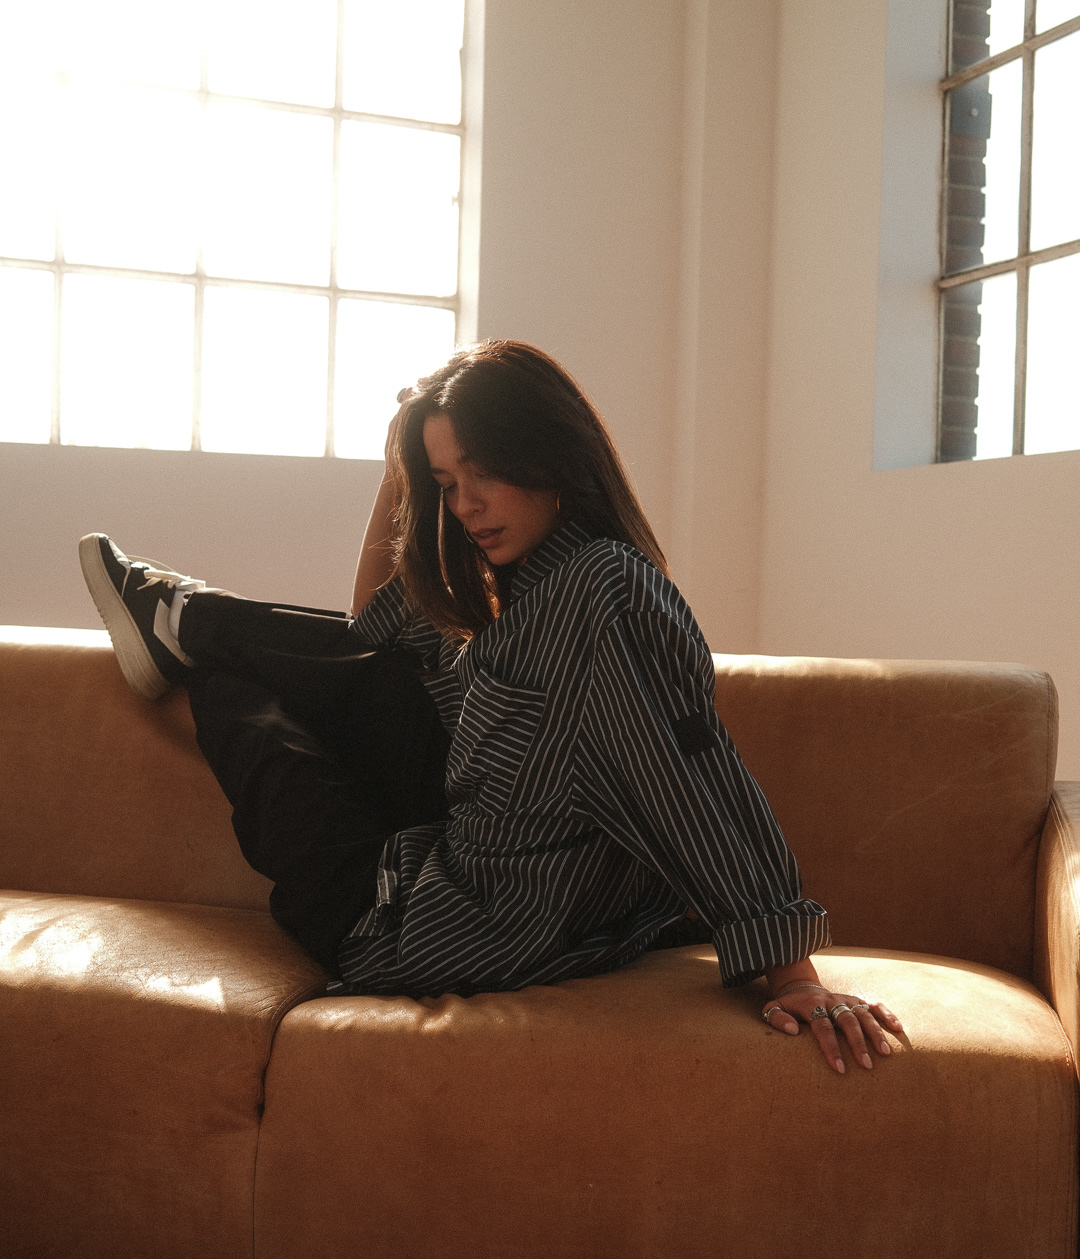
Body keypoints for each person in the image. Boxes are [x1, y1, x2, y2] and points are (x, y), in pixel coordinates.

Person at [79, 339, 902, 1074]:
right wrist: (398, 468)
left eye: (483, 473)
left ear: (551, 456)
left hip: (411, 925)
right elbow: (370, 634)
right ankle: (182, 621)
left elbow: (686, 771)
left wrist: (790, 969)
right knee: (384, 669)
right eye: (446, 483)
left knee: (224, 684)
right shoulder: (518, 593)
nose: (465, 504)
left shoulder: (598, 591)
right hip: (448, 867)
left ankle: (183, 622)